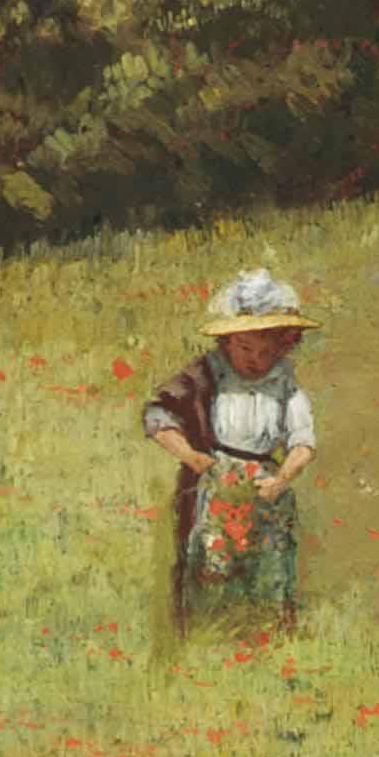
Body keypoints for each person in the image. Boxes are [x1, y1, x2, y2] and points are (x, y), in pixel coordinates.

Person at [141, 268, 318, 633]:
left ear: (283, 344)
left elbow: (302, 442)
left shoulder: (285, 381)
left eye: (266, 350)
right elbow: (158, 415)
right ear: (228, 343)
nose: (256, 359)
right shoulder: (206, 374)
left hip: (266, 485)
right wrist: (192, 457)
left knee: (268, 568)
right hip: (217, 481)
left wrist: (282, 479)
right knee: (211, 565)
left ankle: (265, 636)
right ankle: (209, 638)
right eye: (246, 349)